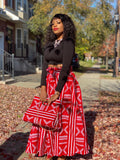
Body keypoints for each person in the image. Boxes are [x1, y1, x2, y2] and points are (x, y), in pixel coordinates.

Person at [26, 13, 89, 160]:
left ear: (65, 25)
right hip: (49, 80)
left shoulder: (68, 42)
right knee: (48, 116)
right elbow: (45, 65)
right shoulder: (49, 43)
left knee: (63, 119)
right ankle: (50, 148)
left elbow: (66, 67)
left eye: (58, 22)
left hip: (64, 83)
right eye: (53, 23)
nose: (54, 25)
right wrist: (43, 87)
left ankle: (62, 152)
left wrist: (57, 91)